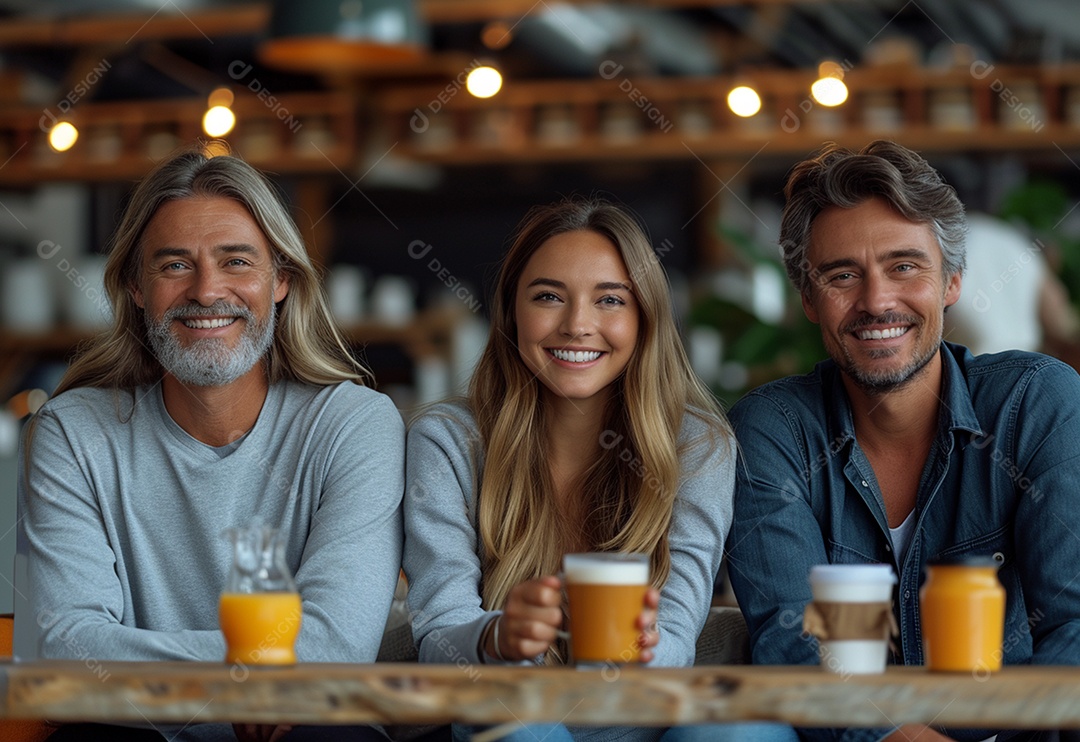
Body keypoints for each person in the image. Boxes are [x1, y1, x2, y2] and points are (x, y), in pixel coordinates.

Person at [14, 147, 404, 742]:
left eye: (236, 261)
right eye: (174, 265)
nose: (206, 290)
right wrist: (258, 674)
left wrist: (142, 667)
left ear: (281, 282)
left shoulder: (354, 425)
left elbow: (334, 648)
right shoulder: (73, 432)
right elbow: (65, 649)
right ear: (135, 287)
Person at [403, 197, 796, 742]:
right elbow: (439, 640)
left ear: (645, 318)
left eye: (610, 300)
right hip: (512, 717)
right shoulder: (449, 440)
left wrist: (648, 645)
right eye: (547, 297)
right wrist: (498, 640)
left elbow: (677, 638)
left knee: (747, 735)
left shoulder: (697, 445)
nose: (577, 325)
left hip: (644, 719)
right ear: (511, 310)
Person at [726, 140, 1080, 742]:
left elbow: (1072, 625)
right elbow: (792, 641)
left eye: (905, 266)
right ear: (809, 299)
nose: (876, 301)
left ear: (952, 282)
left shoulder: (1036, 402)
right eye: (842, 275)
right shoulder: (773, 430)